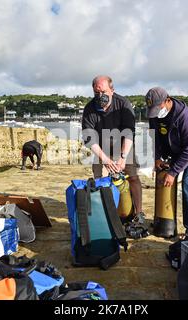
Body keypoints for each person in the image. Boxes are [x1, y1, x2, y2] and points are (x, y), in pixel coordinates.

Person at [82, 75, 148, 239]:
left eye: (103, 91)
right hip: (101, 147)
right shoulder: (89, 109)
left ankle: (138, 212)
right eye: (96, 92)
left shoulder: (123, 104)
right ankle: (104, 212)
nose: (100, 96)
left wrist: (123, 157)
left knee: (132, 177)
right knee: (99, 180)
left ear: (112, 90)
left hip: (123, 145)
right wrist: (105, 159)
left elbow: (129, 133)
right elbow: (90, 139)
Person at [145, 87, 188, 241]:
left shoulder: (185, 117)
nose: (155, 112)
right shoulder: (155, 114)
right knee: (162, 178)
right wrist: (157, 158)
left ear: (168, 101)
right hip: (173, 149)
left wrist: (174, 172)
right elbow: (156, 138)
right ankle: (163, 218)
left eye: (157, 108)